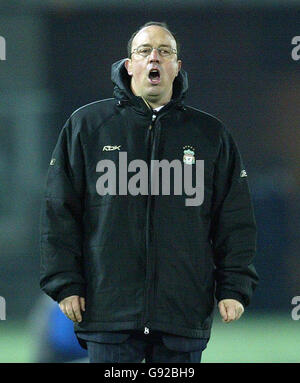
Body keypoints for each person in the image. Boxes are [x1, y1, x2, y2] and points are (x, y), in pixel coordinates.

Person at [40, 21, 259, 363]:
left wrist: (234, 287)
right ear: (129, 65)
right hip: (108, 312)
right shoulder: (87, 126)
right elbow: (60, 211)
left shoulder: (210, 135)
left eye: (165, 51)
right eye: (144, 51)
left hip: (180, 314)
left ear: (176, 67)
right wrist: (66, 283)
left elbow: (234, 219)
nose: (154, 58)